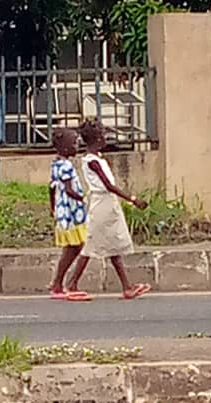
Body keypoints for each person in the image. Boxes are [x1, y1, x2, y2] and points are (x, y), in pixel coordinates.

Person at [66, 120, 151, 300]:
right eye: (103, 135)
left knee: (113, 246)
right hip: (101, 205)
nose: (105, 139)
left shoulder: (97, 159)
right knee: (90, 245)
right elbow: (108, 186)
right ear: (96, 139)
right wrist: (133, 199)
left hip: (108, 204)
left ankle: (127, 287)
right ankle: (72, 284)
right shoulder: (92, 162)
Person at [49, 127, 91, 301]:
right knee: (80, 246)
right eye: (74, 143)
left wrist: (52, 208)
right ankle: (62, 283)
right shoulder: (66, 166)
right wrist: (84, 198)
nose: (77, 145)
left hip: (63, 212)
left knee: (73, 248)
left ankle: (59, 283)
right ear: (65, 147)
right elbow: (68, 190)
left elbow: (51, 189)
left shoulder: (56, 164)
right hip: (72, 213)